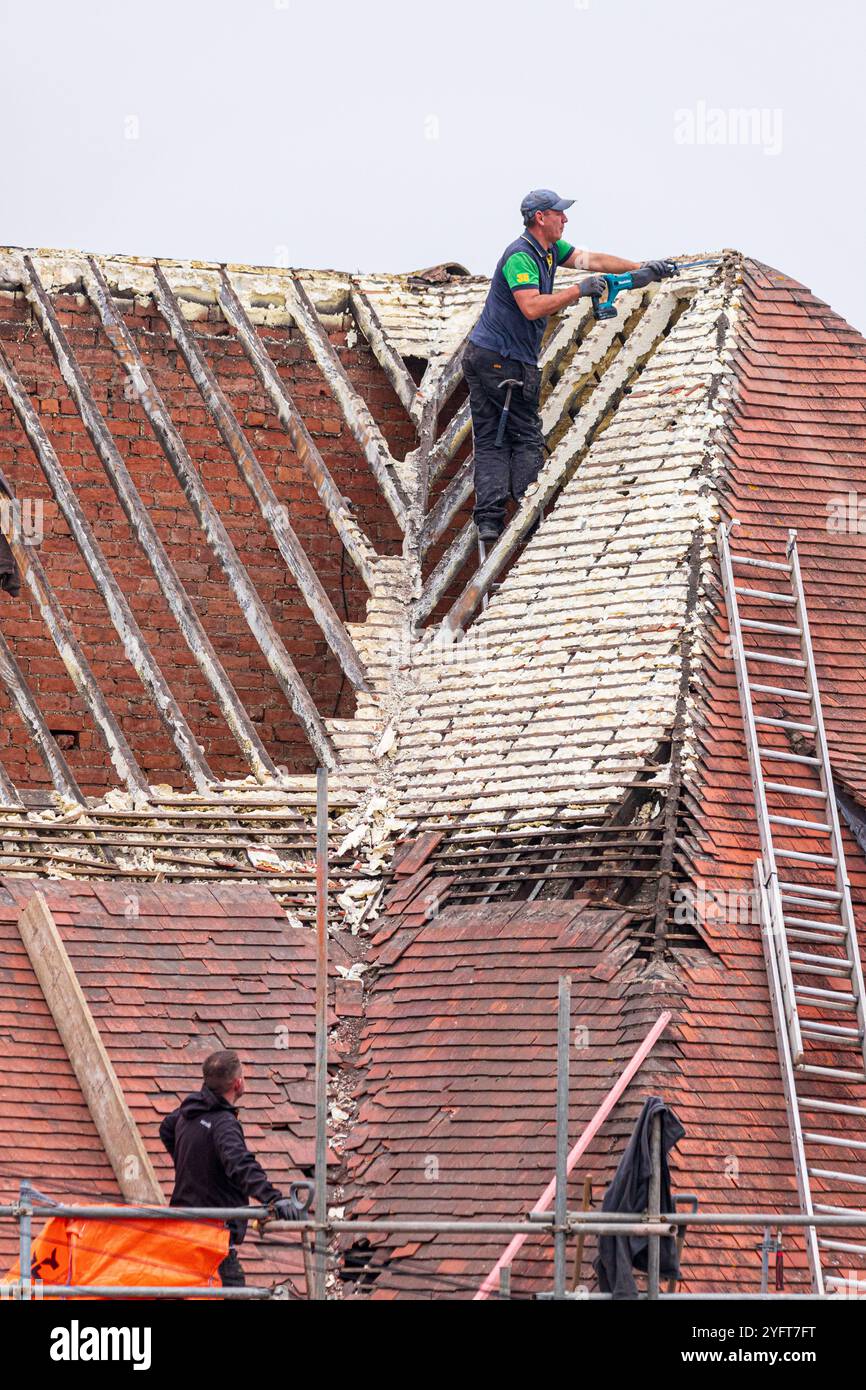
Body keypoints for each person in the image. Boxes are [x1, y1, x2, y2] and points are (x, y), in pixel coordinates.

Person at [465, 187, 677, 546]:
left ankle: (492, 520)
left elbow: (592, 260)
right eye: (559, 213)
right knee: (520, 438)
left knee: (494, 439)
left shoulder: (551, 251)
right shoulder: (520, 257)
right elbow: (531, 307)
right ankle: (526, 517)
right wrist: (578, 291)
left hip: (495, 356)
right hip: (499, 360)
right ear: (540, 218)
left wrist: (643, 269)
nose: (565, 218)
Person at [160, 1049, 304, 1288]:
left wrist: (190, 1164)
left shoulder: (188, 1112)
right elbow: (240, 1164)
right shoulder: (223, 1124)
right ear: (238, 1083)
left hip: (183, 1234)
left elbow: (166, 1128)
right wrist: (274, 1199)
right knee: (233, 1290)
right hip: (214, 1243)